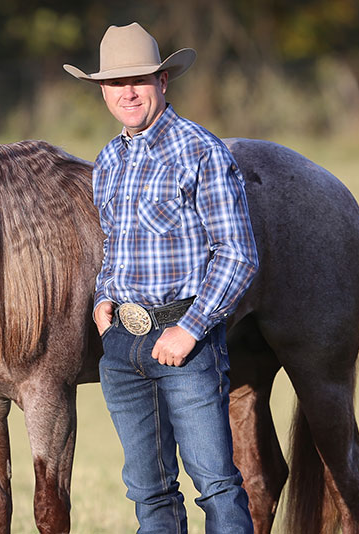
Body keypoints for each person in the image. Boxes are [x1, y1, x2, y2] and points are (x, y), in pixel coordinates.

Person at [65, 23, 259, 533]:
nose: (127, 92)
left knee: (215, 482)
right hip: (121, 348)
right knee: (148, 492)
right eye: (115, 82)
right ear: (103, 91)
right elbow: (119, 245)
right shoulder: (109, 160)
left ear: (164, 81)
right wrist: (104, 299)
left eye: (139, 80)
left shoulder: (200, 151)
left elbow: (238, 254)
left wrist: (191, 329)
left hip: (184, 344)